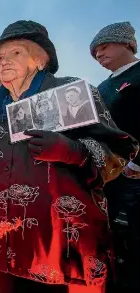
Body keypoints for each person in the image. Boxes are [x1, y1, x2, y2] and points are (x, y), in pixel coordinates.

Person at [0, 20, 139, 293]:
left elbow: (117, 150)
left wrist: (73, 151)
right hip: (0, 247)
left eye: (16, 53)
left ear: (40, 60)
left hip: (61, 253)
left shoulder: (71, 93)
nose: (4, 61)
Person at [90, 21, 140, 291]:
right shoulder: (100, 88)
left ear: (127, 43)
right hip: (108, 176)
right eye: (95, 51)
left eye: (104, 46)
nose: (98, 53)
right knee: (113, 236)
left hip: (135, 174)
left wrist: (137, 163)